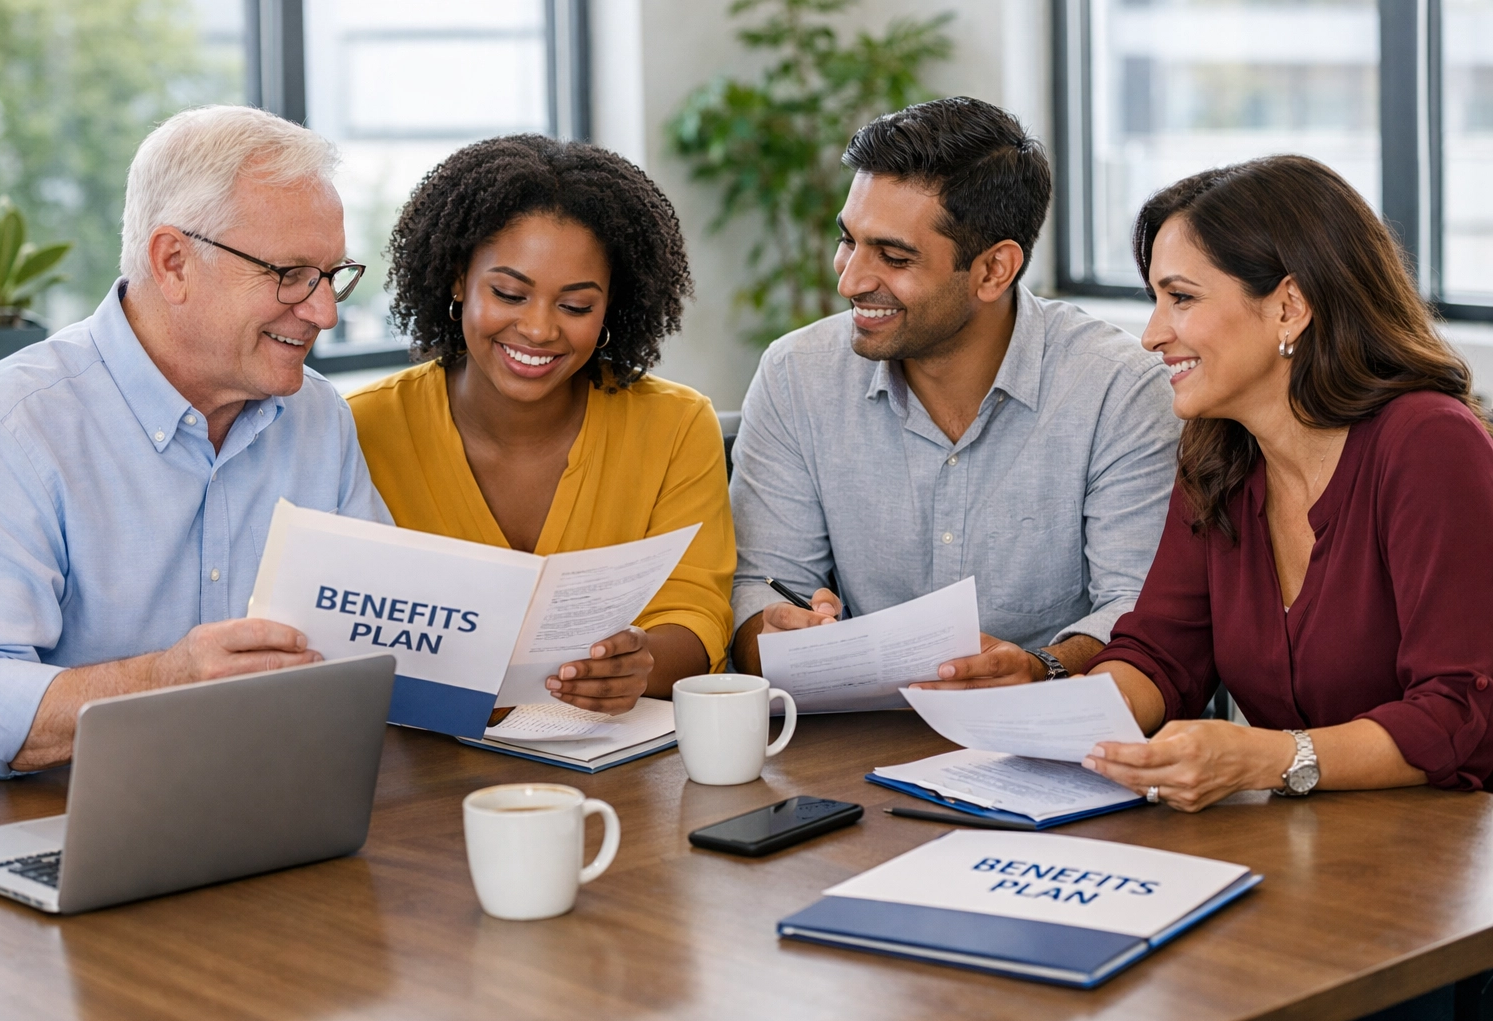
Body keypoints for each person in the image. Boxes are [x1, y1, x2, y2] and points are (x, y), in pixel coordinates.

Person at [0, 105, 390, 781]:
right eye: (290, 275)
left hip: (271, 800)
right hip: (55, 826)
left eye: (332, 275)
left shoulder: (318, 417)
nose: (325, 312)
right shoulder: (9, 424)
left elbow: (376, 643)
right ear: (174, 261)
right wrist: (166, 678)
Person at [1080, 155, 1493, 813]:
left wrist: (1273, 758)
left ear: (1289, 307)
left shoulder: (1429, 442)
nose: (1154, 335)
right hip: (1303, 852)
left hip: (1447, 864)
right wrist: (1062, 725)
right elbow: (1162, 653)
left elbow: (1465, 714)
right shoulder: (1218, 452)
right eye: (1153, 299)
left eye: (1181, 298)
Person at [729, 97, 1180, 687]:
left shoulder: (1117, 388)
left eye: (893, 257)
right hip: (854, 743)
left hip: (1052, 741)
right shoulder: (797, 374)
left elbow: (1140, 615)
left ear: (994, 270)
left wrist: (1041, 666)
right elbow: (756, 587)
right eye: (849, 240)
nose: (850, 279)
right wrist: (778, 633)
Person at [348, 135, 732, 716]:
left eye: (575, 306)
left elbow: (697, 608)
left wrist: (637, 663)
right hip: (423, 771)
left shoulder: (676, 425)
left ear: (611, 308)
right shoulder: (363, 428)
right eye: (509, 293)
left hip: (620, 769)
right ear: (458, 279)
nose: (538, 329)